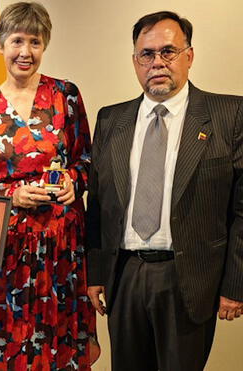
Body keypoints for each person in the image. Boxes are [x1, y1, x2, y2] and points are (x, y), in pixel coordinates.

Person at [86, 10, 243, 371]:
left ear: (189, 56)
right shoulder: (111, 119)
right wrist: (95, 275)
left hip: (188, 278)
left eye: (168, 52)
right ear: (135, 61)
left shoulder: (228, 115)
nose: (157, 62)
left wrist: (236, 284)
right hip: (124, 274)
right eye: (147, 54)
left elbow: (242, 210)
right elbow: (97, 203)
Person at [0, 2, 97, 370]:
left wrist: (74, 181)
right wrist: (13, 195)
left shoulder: (65, 96)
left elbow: (87, 161)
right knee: (9, 351)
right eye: (17, 41)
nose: (26, 52)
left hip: (62, 249)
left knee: (59, 350)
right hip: (7, 254)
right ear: (1, 44)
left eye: (35, 42)